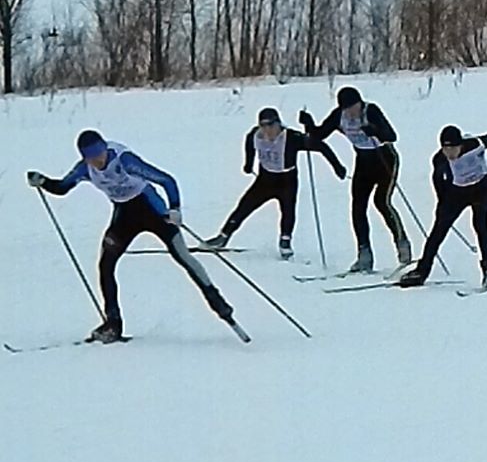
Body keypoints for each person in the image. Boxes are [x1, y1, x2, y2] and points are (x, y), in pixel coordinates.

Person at [27, 130, 236, 342]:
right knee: (106, 265)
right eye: (91, 157)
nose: (98, 161)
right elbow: (62, 187)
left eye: (100, 155)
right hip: (124, 216)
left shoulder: (125, 160)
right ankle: (113, 324)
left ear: (105, 149)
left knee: (183, 256)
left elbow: (167, 181)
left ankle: (219, 304)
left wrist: (175, 209)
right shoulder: (85, 169)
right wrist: (42, 181)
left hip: (152, 209)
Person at [204, 107, 347, 259]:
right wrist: (248, 163)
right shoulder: (255, 135)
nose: (267, 130)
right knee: (244, 206)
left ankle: (285, 241)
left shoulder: (291, 137)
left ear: (278, 124)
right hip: (265, 179)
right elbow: (249, 144)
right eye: (263, 126)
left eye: (271, 126)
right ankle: (223, 236)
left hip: (287, 180)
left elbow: (321, 146)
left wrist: (337, 167)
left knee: (288, 210)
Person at [399, 126, 487, 290]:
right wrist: (441, 202)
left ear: (461, 145)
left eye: (453, 148)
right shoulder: (440, 159)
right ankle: (421, 271)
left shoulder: (475, 145)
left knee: (481, 226)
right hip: (457, 193)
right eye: (446, 149)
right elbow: (438, 180)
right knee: (438, 231)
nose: (450, 153)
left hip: (481, 188)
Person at [299, 86, 411, 272]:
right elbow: (319, 135)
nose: (351, 112)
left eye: (353, 107)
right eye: (347, 108)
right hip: (363, 161)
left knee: (381, 202)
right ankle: (364, 254)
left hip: (385, 159)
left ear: (360, 103)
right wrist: (309, 124)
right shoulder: (339, 116)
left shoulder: (371, 111)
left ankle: (402, 244)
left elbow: (391, 136)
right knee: (358, 207)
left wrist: (374, 130)